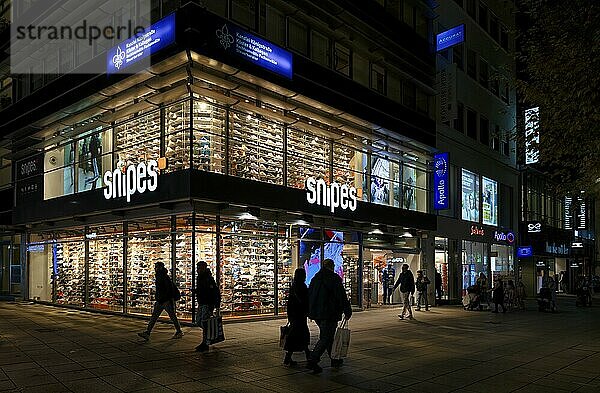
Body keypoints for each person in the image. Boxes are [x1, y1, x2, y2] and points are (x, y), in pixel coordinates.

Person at [307, 259, 352, 374]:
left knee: (328, 336)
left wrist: (310, 311)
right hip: (329, 313)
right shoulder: (334, 279)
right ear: (332, 266)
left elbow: (310, 295)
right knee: (326, 337)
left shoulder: (315, 278)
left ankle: (334, 359)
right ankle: (313, 359)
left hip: (317, 314)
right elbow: (341, 296)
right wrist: (347, 310)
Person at [138, 262, 184, 340]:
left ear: (160, 268)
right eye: (155, 267)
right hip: (161, 300)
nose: (155, 268)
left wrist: (163, 297)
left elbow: (168, 289)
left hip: (165, 300)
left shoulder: (163, 277)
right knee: (156, 316)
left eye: (156, 267)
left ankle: (179, 331)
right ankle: (148, 332)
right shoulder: (160, 276)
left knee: (171, 316)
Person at [283, 268, 311, 366]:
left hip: (294, 315)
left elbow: (290, 302)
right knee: (301, 335)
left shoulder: (293, 286)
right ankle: (309, 357)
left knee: (296, 335)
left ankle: (289, 357)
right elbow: (305, 301)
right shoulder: (302, 287)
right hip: (300, 315)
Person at [193, 261, 220, 352]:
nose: (198, 270)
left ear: (204, 268)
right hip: (202, 302)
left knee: (204, 322)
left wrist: (215, 304)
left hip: (207, 303)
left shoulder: (208, 278)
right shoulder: (200, 277)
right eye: (197, 268)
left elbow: (213, 291)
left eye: (199, 268)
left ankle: (205, 342)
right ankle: (209, 335)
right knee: (199, 322)